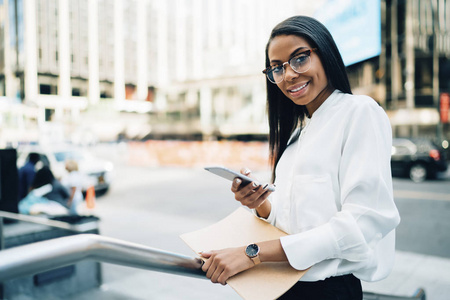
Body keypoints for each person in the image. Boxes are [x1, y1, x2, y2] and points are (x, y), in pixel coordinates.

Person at [200, 16, 400, 300]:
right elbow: (295, 223)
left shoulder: (359, 112)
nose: (289, 75)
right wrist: (263, 205)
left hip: (327, 290)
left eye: (299, 59)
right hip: (279, 284)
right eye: (277, 68)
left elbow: (363, 222)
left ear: (325, 53)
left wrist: (252, 253)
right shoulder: (297, 136)